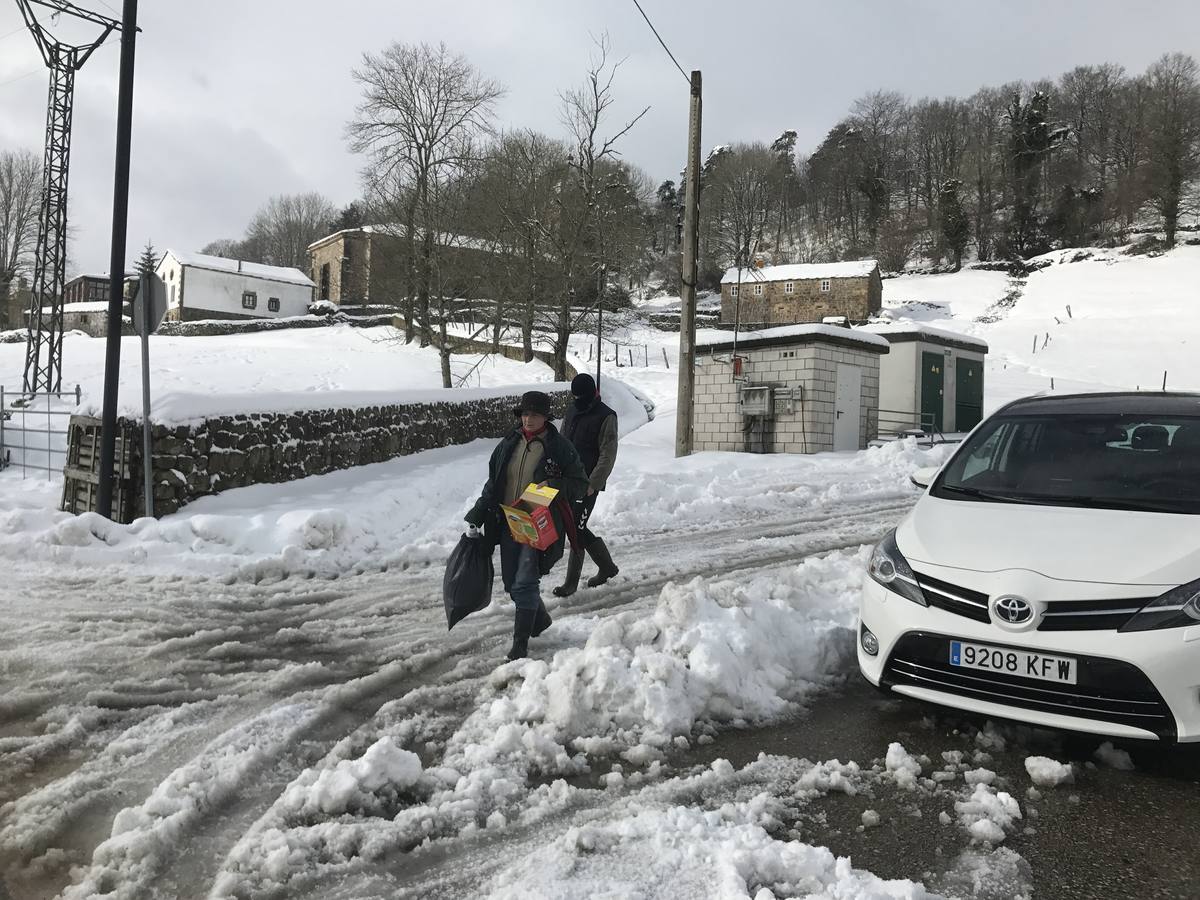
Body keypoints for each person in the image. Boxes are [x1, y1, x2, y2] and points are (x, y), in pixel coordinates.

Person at [464, 390, 589, 660]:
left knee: (524, 582)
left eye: (534, 414)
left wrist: (554, 485)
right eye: (524, 413)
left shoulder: (559, 447)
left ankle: (520, 644)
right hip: (508, 522)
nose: (528, 419)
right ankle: (540, 619)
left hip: (539, 525)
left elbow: (581, 485)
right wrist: (479, 509)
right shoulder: (508, 444)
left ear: (545, 417)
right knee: (512, 584)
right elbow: (494, 482)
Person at [553, 372, 620, 598]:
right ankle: (607, 567)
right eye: (575, 397)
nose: (577, 401)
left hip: (588, 483)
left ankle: (571, 583)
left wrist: (593, 483)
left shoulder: (606, 416)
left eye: (582, 397)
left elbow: (607, 455)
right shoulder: (572, 410)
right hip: (567, 481)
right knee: (573, 525)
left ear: (593, 394)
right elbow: (561, 441)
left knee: (577, 528)